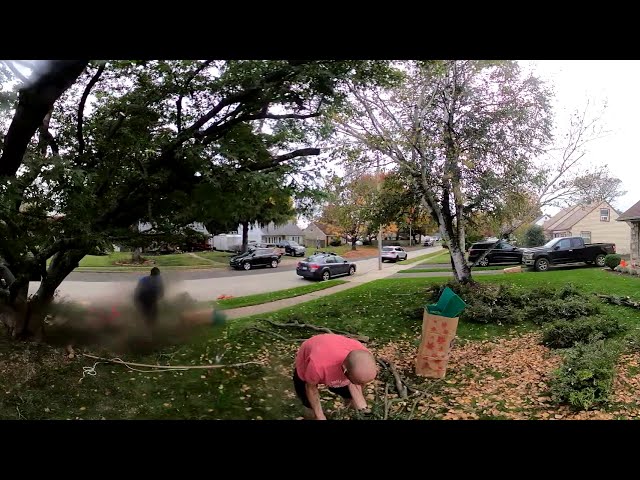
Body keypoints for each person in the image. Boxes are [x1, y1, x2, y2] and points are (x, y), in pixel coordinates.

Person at [293, 333, 378, 420]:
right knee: (309, 406)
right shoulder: (318, 366)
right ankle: (312, 414)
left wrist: (362, 406)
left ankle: (348, 409)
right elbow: (311, 388)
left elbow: (358, 383)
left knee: (349, 394)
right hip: (312, 356)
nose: (362, 385)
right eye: (358, 382)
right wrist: (320, 416)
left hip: (341, 362)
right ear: (345, 370)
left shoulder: (363, 355)